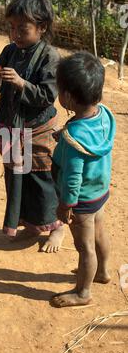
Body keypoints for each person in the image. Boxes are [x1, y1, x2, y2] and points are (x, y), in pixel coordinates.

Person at [0, 0, 64, 252]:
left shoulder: (49, 57)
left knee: (41, 177)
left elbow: (47, 95)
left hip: (38, 129)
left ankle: (57, 226)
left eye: (22, 28)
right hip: (10, 127)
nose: (15, 34)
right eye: (12, 27)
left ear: (41, 27)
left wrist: (21, 83)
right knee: (17, 177)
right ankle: (31, 225)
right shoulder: (9, 51)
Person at [51, 52, 116, 307]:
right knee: (100, 232)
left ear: (66, 97)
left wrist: (66, 205)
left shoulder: (75, 139)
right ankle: (103, 271)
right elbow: (87, 136)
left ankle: (83, 292)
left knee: (84, 246)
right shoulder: (105, 114)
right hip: (99, 192)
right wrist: (66, 134)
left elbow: (73, 178)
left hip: (81, 200)